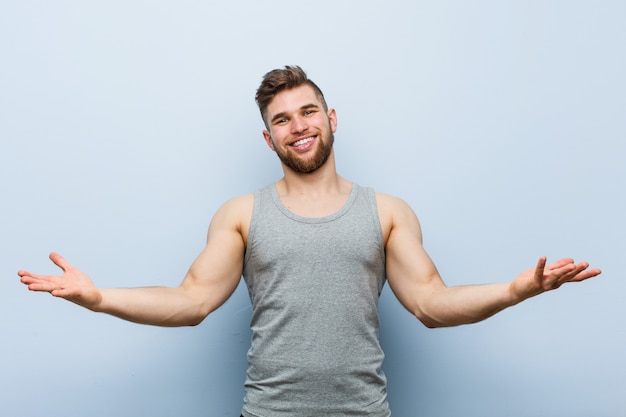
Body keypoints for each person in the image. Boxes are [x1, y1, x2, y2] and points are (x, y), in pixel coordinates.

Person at [19, 66, 601, 417]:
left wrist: (518, 289)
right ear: (268, 137)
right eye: (282, 119)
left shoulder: (388, 212)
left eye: (308, 111)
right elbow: (192, 301)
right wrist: (100, 298)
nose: (299, 126)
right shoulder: (242, 214)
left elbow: (430, 304)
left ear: (332, 117)